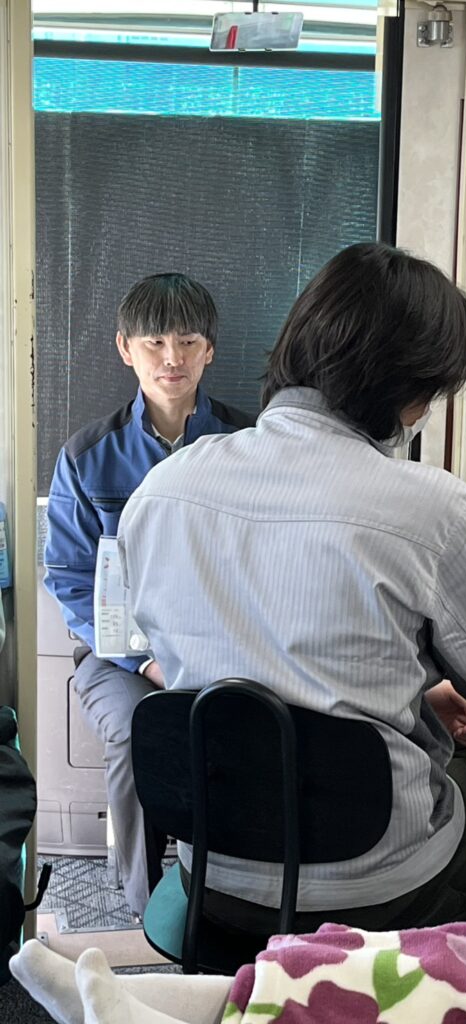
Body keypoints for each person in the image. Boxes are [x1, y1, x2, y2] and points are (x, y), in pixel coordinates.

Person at [118, 242, 466, 934]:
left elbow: (224, 662)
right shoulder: (433, 509)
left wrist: (412, 691)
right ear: (413, 391)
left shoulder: (161, 491)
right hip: (371, 888)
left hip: (214, 873)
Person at [43, 273, 256, 918]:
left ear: (209, 350)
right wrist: (143, 662)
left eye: (187, 341)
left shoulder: (248, 445)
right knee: (143, 732)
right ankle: (143, 907)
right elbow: (69, 577)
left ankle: (237, 892)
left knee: (255, 729)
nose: (172, 358)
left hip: (227, 647)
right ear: (125, 349)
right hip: (117, 660)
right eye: (155, 342)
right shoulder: (87, 456)